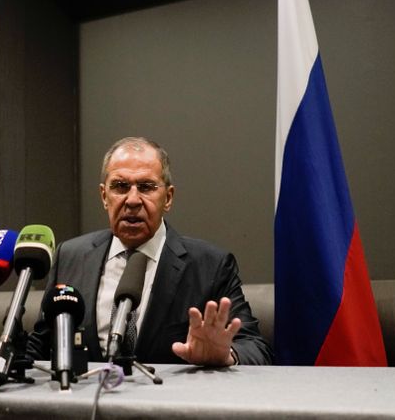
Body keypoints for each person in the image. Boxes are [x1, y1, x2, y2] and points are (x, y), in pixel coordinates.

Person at [26, 136, 272, 366]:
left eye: (146, 187)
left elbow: (255, 348)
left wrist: (226, 356)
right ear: (104, 196)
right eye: (120, 186)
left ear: (168, 198)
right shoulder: (71, 255)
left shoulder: (210, 265)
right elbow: (40, 346)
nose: (132, 200)